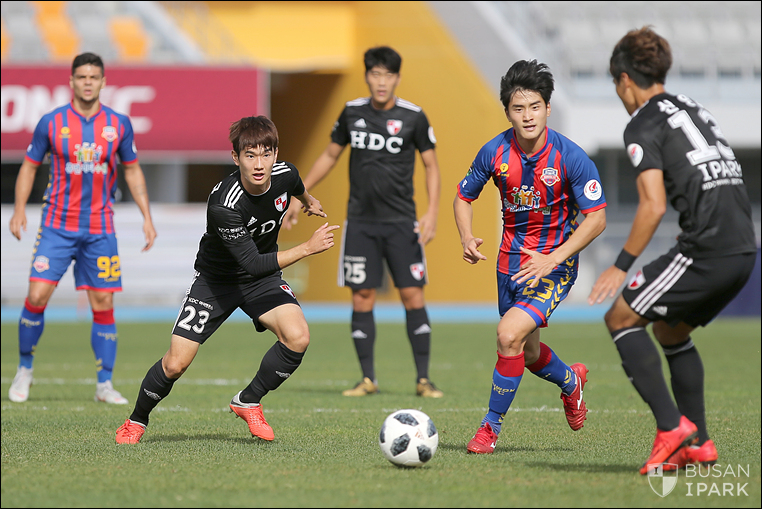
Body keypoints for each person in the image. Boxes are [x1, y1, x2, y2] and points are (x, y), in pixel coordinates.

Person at [588, 27, 757, 475]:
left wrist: (620, 266)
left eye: (617, 85)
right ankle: (699, 443)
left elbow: (653, 205)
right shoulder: (694, 108)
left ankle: (671, 428)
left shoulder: (642, 123)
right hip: (744, 247)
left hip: (707, 247)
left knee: (620, 318)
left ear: (625, 80)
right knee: (670, 331)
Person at [115, 116, 339, 444]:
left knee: (298, 337)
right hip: (216, 283)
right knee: (176, 364)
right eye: (250, 155)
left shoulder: (286, 173)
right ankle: (136, 420)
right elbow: (252, 262)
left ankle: (248, 400)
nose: (259, 164)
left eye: (266, 154)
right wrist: (307, 248)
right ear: (236, 157)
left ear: (276, 154)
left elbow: (296, 185)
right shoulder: (224, 203)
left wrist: (308, 201)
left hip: (261, 281)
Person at [453, 59, 607, 454]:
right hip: (509, 266)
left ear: (548, 108)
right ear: (507, 111)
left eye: (535, 107)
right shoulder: (494, 152)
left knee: (508, 336)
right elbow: (463, 197)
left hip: (554, 267)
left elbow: (597, 218)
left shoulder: (571, 157)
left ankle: (489, 429)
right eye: (518, 108)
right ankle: (571, 381)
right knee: (529, 351)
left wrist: (553, 259)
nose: (527, 116)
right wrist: (467, 236)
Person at [283, 46, 443, 398]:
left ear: (397, 78)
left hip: (402, 223)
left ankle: (423, 380)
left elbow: (431, 165)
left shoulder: (414, 117)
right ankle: (367, 379)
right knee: (362, 297)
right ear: (367, 76)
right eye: (375, 74)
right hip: (360, 224)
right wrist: (300, 194)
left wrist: (432, 212)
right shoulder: (352, 112)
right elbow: (330, 155)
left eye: (388, 75)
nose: (381, 81)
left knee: (412, 296)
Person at [8, 52, 157, 405]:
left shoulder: (119, 124)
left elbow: (132, 169)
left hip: (100, 228)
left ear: (103, 82)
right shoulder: (51, 122)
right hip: (56, 226)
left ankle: (104, 384)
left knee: (103, 302)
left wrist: (146, 216)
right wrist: (19, 209)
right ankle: (24, 369)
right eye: (81, 77)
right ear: (72, 81)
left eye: (93, 77)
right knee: (36, 296)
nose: (87, 82)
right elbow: (29, 166)